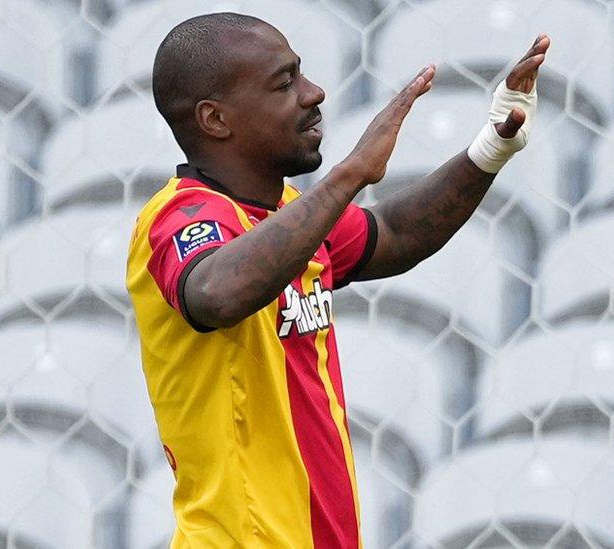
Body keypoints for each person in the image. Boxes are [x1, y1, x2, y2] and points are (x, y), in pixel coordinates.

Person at [125, 11, 549, 548]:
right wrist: (349, 175)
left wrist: (489, 150)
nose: (314, 93)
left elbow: (392, 234)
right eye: (285, 83)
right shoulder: (181, 217)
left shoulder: (289, 213)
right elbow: (216, 293)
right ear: (215, 119)